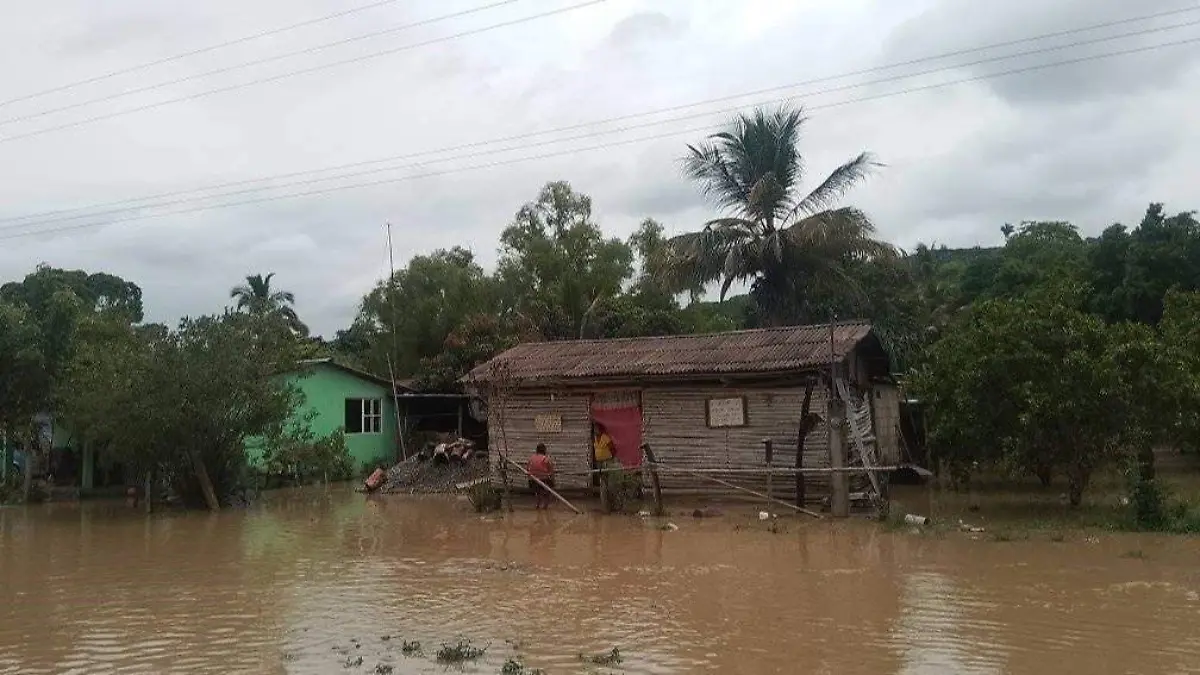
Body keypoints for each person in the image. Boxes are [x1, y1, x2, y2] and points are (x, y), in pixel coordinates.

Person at [526, 443, 556, 509]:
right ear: (544, 450)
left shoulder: (531, 458)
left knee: (538, 492)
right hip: (543, 481)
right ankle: (545, 506)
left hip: (532, 481)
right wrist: (553, 482)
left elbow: (527, 469)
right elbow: (551, 472)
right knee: (548, 491)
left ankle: (538, 505)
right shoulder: (546, 459)